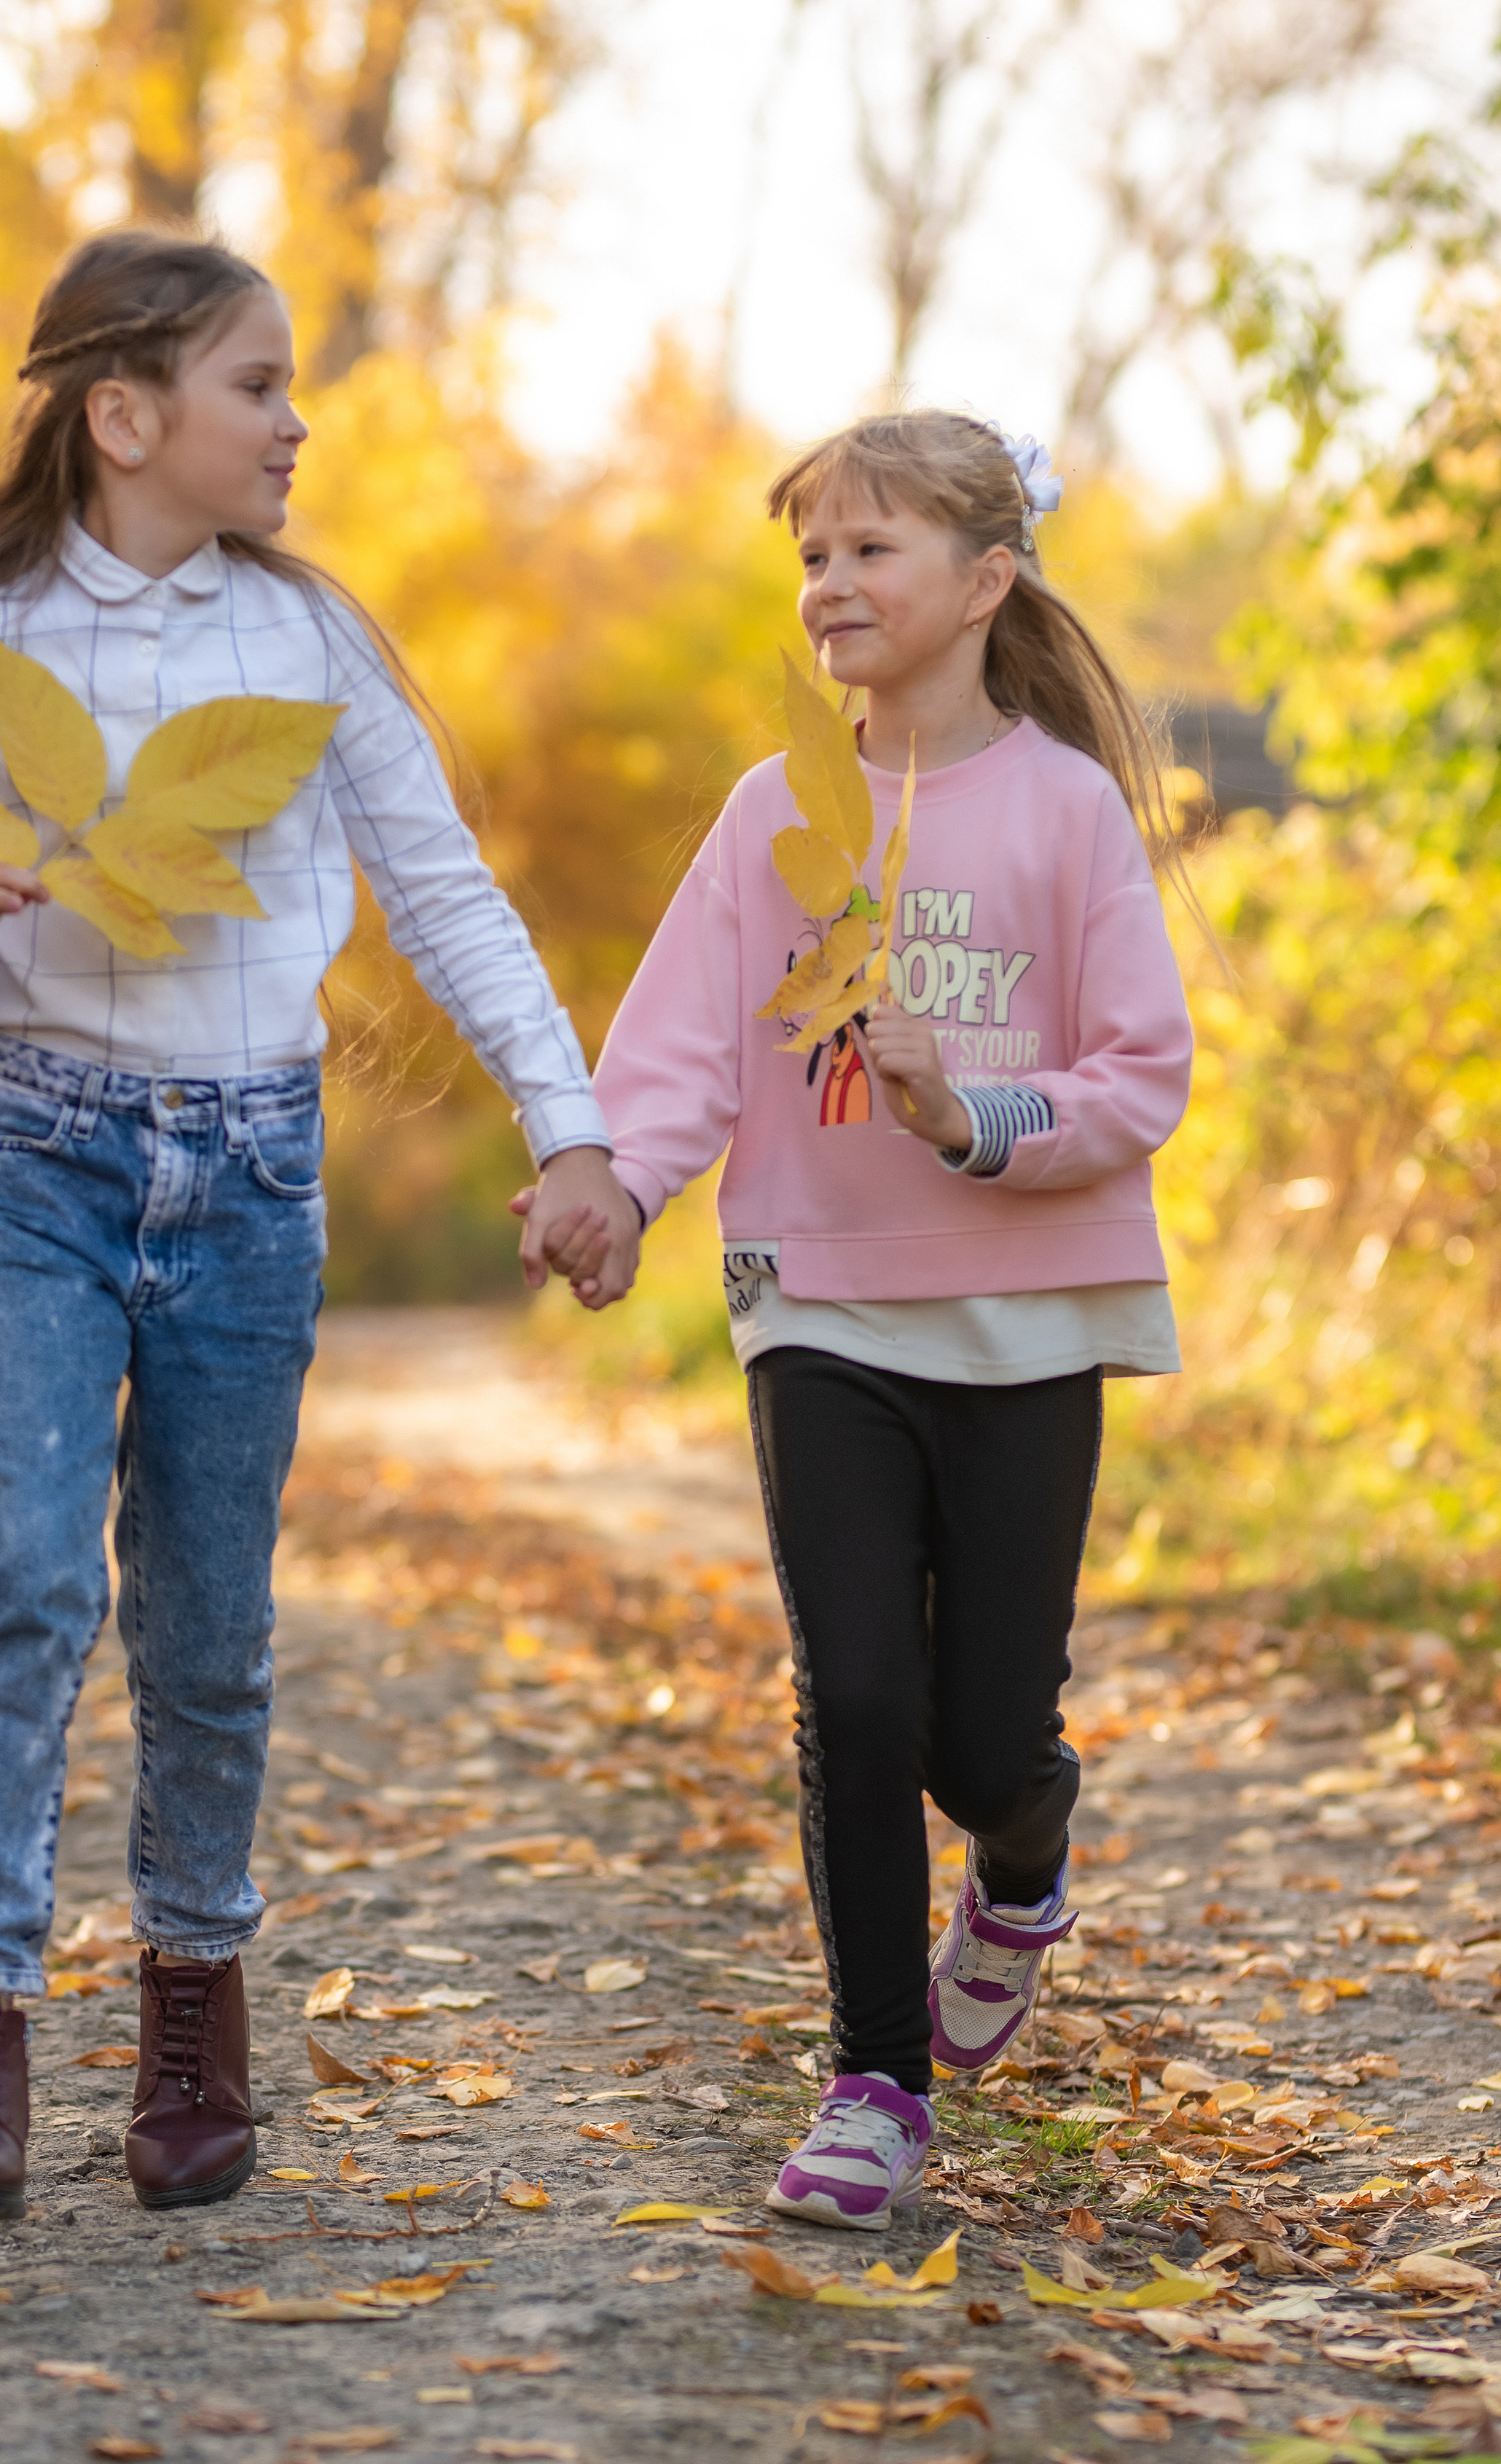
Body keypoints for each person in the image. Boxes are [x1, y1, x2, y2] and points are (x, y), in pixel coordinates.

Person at [0, 228, 637, 2226]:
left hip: (248, 1176)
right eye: (258, 385)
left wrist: (575, 1129)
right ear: (126, 416)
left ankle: (194, 2007)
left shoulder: (305, 649)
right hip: (35, 1152)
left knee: (208, 1623)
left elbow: (442, 889)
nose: (297, 420)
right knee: (24, 1572)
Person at [584, 412, 1195, 2229]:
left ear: (984, 581)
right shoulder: (776, 812)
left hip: (1025, 1314)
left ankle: (1020, 1857)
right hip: (818, 1305)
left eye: (869, 552)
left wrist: (972, 1117)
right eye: (811, 557)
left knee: (979, 1736)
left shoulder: (1067, 809)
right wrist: (612, 1183)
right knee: (852, 1693)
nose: (828, 585)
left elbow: (1141, 1071)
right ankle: (871, 2077)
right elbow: (685, 1042)